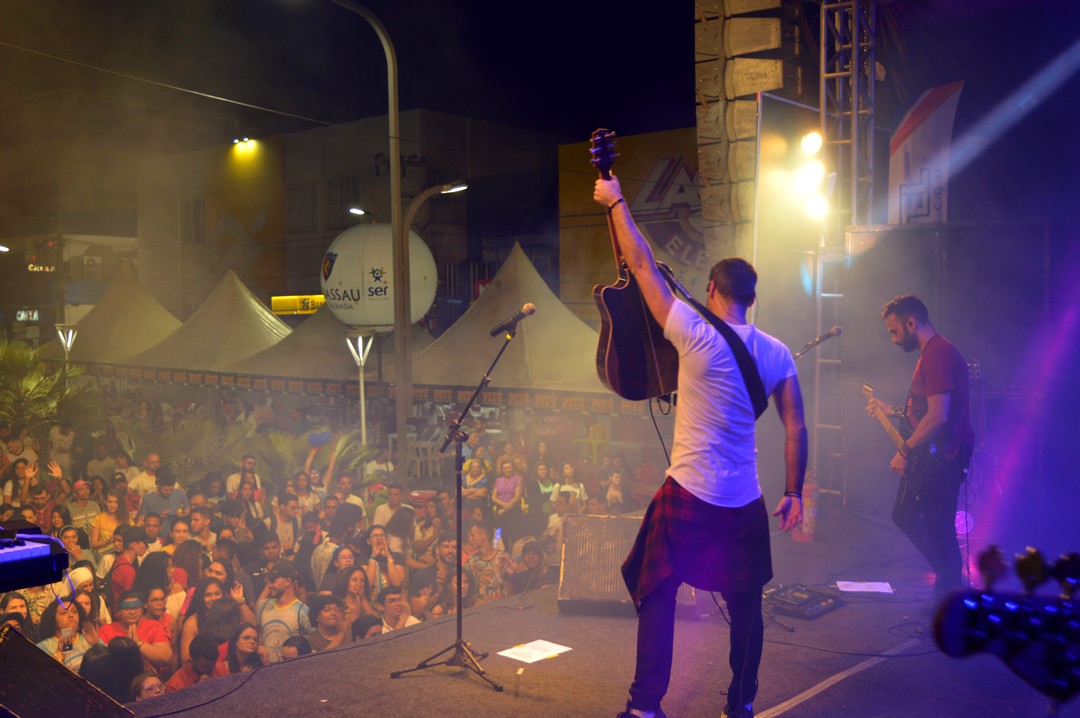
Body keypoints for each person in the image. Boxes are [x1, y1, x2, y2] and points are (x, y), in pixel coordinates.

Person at [594, 177, 807, 718]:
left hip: (688, 491)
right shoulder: (778, 352)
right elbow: (796, 428)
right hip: (744, 500)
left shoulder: (693, 330)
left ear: (712, 291)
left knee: (656, 591)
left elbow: (641, 265)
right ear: (751, 299)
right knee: (747, 607)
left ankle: (646, 707)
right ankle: (741, 705)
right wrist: (795, 492)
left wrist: (617, 198)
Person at [866, 294, 974, 603]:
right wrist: (894, 412)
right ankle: (949, 580)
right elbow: (926, 410)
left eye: (895, 331)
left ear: (911, 322)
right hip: (934, 454)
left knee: (937, 528)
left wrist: (905, 450)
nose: (893, 339)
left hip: (945, 455)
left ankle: (952, 592)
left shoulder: (938, 354)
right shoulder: (930, 354)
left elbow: (939, 416)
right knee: (907, 515)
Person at [255, 560, 312, 663]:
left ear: (287, 582)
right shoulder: (263, 605)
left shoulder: (302, 612)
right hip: (266, 670)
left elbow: (311, 647)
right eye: (268, 581)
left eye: (273, 581)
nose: (269, 585)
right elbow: (260, 634)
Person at [165, 633, 229, 692]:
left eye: (214, 664)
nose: (212, 669)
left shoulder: (221, 667)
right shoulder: (174, 686)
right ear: (192, 660)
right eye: (205, 666)